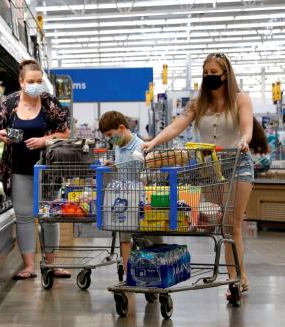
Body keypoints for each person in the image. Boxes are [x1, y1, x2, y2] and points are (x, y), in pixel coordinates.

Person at [142, 53, 253, 297]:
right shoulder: (197, 102)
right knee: (222, 226)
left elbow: (247, 128)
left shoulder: (240, 99)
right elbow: (176, 126)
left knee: (232, 224)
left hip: (237, 163)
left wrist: (244, 141)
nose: (209, 78)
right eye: (206, 73)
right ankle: (237, 274)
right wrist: (153, 142)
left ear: (225, 74)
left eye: (213, 73)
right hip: (209, 168)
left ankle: (236, 277)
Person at [0, 59, 70, 280]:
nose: (36, 85)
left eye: (39, 81)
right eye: (31, 81)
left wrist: (45, 140)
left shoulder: (49, 103)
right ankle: (29, 266)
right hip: (18, 168)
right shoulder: (9, 103)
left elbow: (64, 133)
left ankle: (51, 263)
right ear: (21, 81)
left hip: (47, 170)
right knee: (23, 216)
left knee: (49, 216)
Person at [98, 111, 161, 270]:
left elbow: (151, 173)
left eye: (111, 135)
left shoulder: (141, 147)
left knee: (151, 239)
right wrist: (112, 164)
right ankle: (127, 274)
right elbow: (123, 164)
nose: (110, 140)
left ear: (121, 127)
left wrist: (145, 176)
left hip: (141, 201)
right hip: (125, 200)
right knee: (124, 238)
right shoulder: (119, 146)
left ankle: (152, 271)